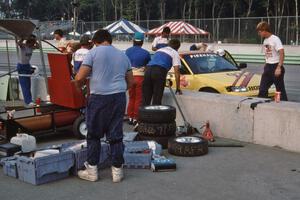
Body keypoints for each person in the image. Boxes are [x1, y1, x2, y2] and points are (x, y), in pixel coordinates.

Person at [74, 29, 134, 182]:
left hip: (98, 98)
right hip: (119, 97)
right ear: (110, 40)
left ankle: (92, 171)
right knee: (116, 135)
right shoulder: (123, 55)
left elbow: (79, 77)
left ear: (95, 41)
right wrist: (118, 90)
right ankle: (117, 172)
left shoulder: (92, 53)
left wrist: (82, 88)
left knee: (93, 135)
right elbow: (131, 82)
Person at [142, 39, 182, 106]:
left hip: (148, 70)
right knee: (157, 99)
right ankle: (155, 115)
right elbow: (177, 72)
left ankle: (143, 116)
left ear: (168, 44)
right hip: (159, 71)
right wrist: (178, 88)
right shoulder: (175, 52)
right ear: (177, 48)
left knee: (146, 99)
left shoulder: (160, 50)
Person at [256, 21, 288, 101]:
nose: (259, 34)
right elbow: (267, 54)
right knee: (262, 89)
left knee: (279, 90)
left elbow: (282, 52)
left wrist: (279, 67)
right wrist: (266, 65)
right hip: (268, 67)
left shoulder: (275, 39)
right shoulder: (265, 41)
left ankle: (281, 107)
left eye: (260, 32)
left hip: (276, 66)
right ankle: (262, 107)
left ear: (264, 30)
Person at [125, 32, 151, 125]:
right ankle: (136, 118)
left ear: (133, 41)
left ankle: (130, 117)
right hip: (140, 77)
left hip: (130, 77)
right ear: (142, 42)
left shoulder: (127, 51)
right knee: (138, 99)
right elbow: (148, 66)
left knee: (131, 97)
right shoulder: (146, 53)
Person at [17, 35, 39, 107]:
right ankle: (28, 101)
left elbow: (38, 46)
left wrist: (35, 40)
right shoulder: (24, 46)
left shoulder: (31, 47)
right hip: (21, 66)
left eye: (33, 43)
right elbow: (18, 43)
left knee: (28, 85)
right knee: (25, 85)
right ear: (29, 42)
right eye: (32, 43)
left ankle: (29, 101)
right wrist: (23, 37)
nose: (33, 45)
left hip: (27, 65)